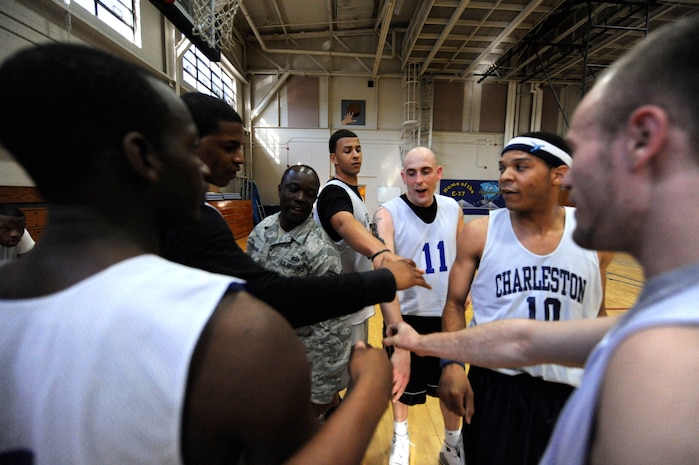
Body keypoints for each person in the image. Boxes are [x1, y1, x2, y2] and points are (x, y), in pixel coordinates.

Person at [0, 42, 393, 465]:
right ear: (143, 156)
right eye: (190, 148)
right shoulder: (238, 334)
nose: (210, 167)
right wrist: (369, 391)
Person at [388, 13, 699, 464]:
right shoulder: (659, 320)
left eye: (583, 145)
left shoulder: (666, 355)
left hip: (562, 392)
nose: (574, 173)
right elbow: (522, 341)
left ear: (644, 139)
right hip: (500, 389)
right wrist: (428, 348)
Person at [161, 93, 429, 329]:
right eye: (230, 147)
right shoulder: (186, 219)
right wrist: (381, 266)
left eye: (358, 149)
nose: (241, 158)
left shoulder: (196, 212)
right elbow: (270, 293)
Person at [435, 132, 613, 465]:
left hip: (567, 391)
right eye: (503, 167)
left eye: (521, 167)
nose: (505, 176)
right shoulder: (479, 234)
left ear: (559, 175)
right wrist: (453, 365)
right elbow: (454, 304)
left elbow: (597, 312)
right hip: (496, 387)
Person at [372, 147, 465, 465]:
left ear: (438, 173)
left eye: (426, 171)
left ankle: (451, 445)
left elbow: (464, 257)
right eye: (411, 173)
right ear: (402, 177)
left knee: (451, 386)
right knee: (401, 385)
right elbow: (384, 274)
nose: (419, 179)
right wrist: (396, 329)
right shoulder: (387, 213)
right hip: (407, 315)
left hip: (447, 316)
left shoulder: (454, 208)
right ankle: (401, 438)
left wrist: (466, 288)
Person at [313, 130, 413, 401]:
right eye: (347, 150)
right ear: (334, 158)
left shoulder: (351, 193)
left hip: (354, 300)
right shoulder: (333, 193)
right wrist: (380, 251)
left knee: (349, 373)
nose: (355, 154)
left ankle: (338, 416)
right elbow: (344, 224)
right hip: (338, 306)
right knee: (335, 377)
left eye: (358, 149)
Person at [247, 164, 351, 420]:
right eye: (293, 189)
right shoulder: (262, 231)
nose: (300, 199)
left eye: (309, 193)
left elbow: (332, 326)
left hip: (301, 364)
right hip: (263, 355)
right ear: (280, 190)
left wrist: (320, 391)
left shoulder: (320, 249)